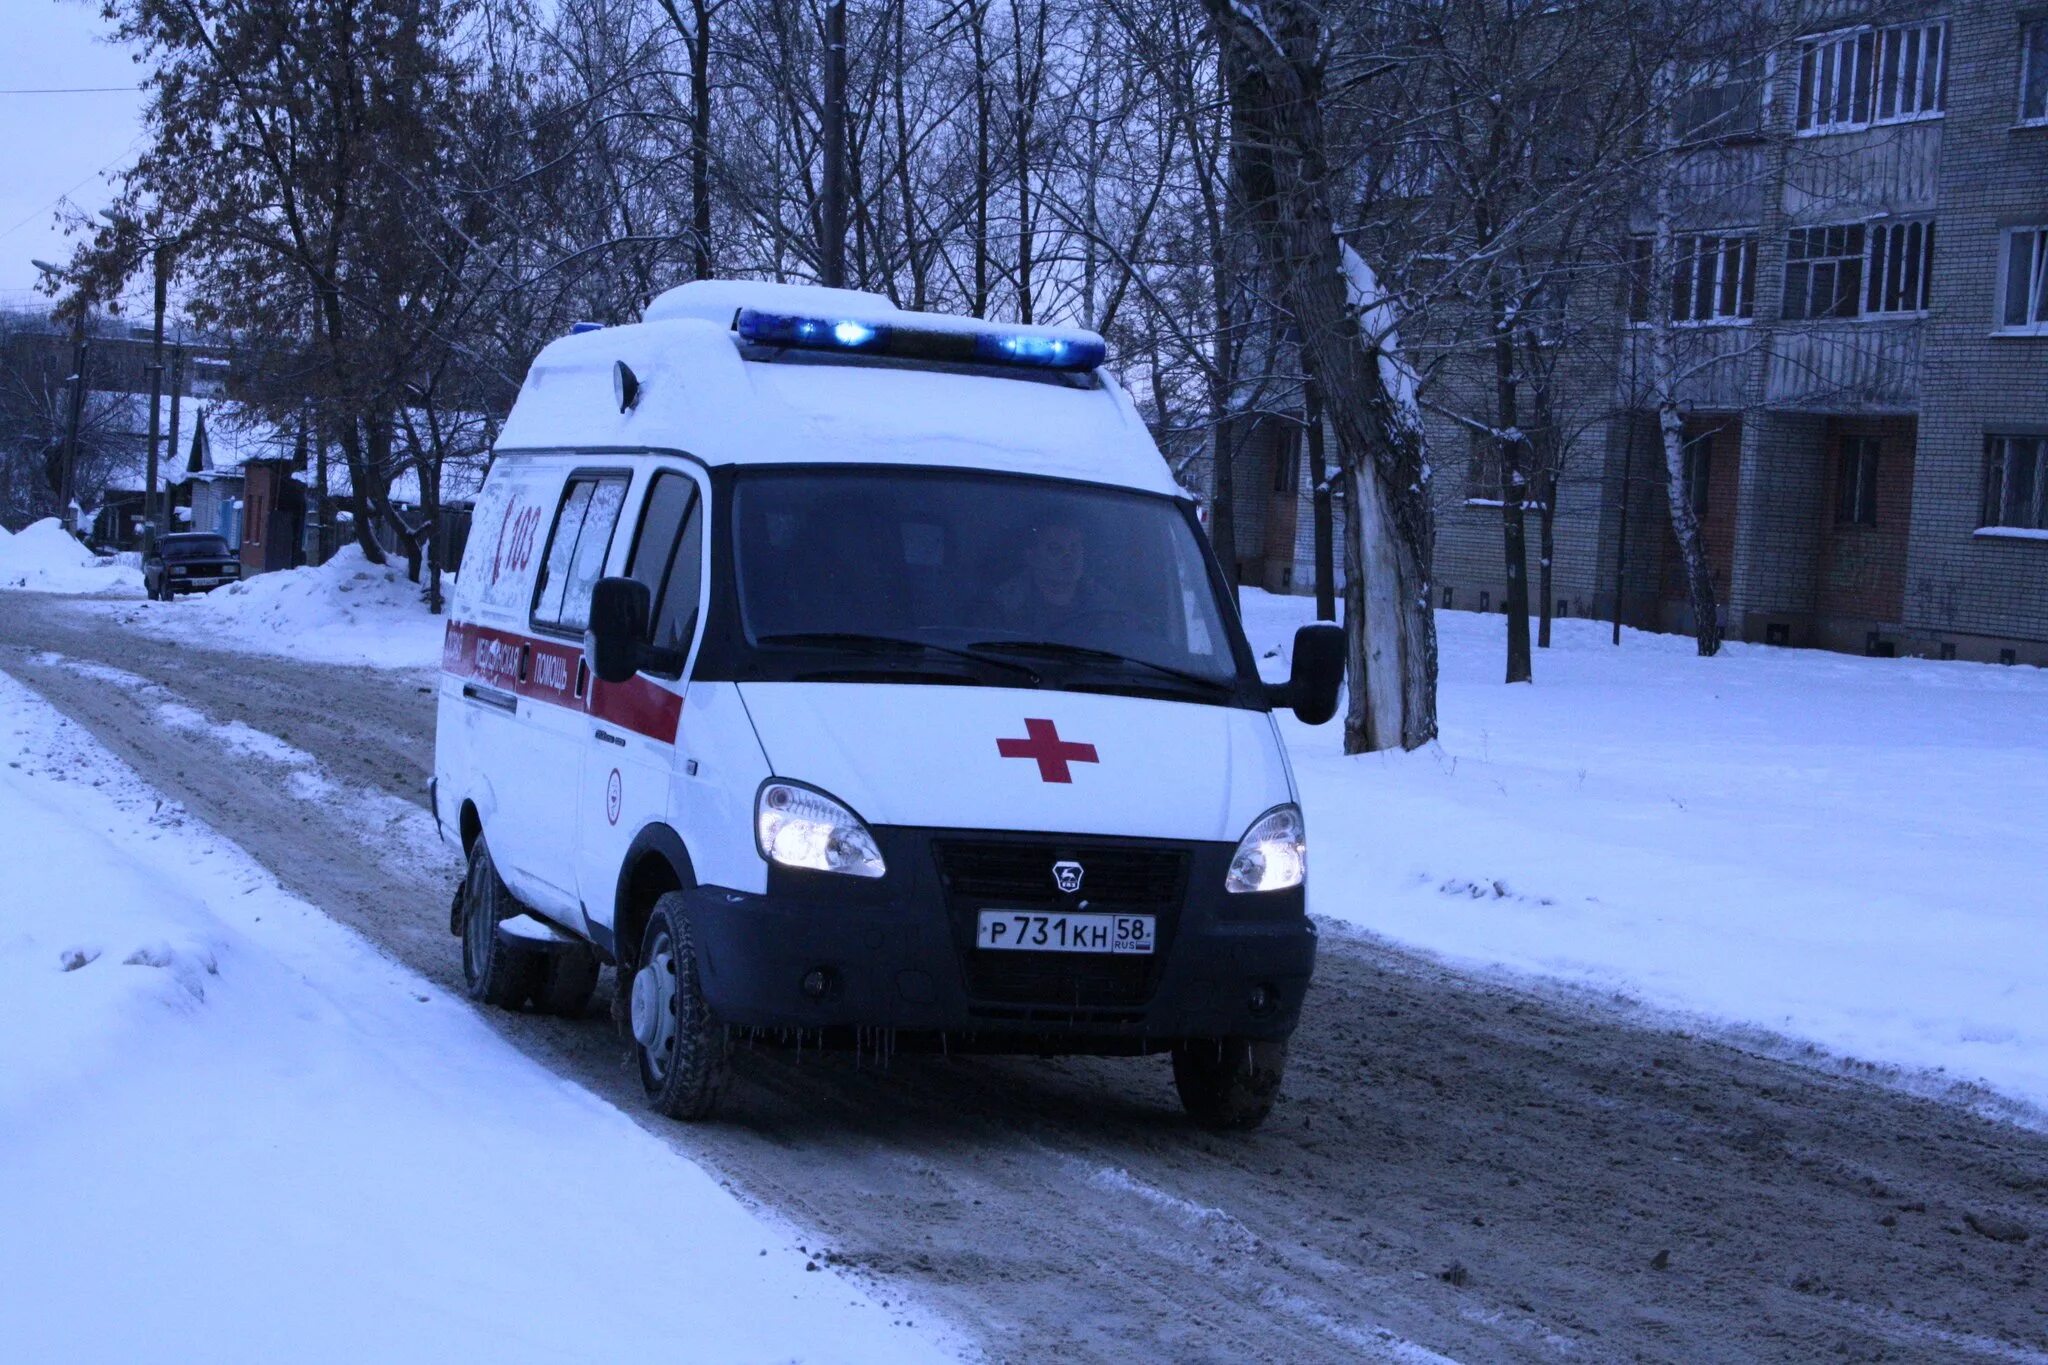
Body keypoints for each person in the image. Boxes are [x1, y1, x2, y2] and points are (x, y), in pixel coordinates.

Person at [987, 515, 1116, 638]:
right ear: (1031, 556)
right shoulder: (1002, 607)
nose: (1068, 557)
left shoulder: (1108, 608)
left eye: (1074, 547)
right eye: (1056, 549)